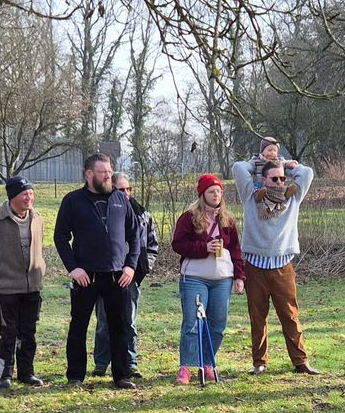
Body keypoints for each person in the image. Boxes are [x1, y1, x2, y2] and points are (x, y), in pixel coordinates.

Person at [55, 153, 144, 388]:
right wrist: (73, 268)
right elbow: (61, 237)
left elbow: (135, 234)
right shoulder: (72, 201)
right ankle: (75, 376)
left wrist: (131, 266)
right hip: (86, 276)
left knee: (120, 325)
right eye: (103, 172)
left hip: (117, 276)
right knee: (79, 326)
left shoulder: (120, 199)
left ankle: (122, 375)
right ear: (89, 174)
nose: (108, 175)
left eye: (110, 171)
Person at [230, 153, 321, 374]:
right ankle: (260, 362)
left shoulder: (292, 197)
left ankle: (301, 362)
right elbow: (238, 168)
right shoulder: (251, 196)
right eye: (274, 179)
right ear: (263, 180)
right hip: (255, 266)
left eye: (282, 178)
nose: (280, 182)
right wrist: (258, 163)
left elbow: (307, 173)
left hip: (283, 266)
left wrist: (286, 166)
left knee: (290, 316)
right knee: (258, 317)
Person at [170, 173, 245, 384]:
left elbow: (236, 250)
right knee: (192, 323)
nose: (216, 195)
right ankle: (186, 366)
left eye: (219, 191)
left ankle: (207, 363)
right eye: (212, 191)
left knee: (218, 323)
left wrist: (239, 276)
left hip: (222, 279)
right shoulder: (189, 217)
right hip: (195, 277)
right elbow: (178, 244)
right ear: (202, 194)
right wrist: (204, 247)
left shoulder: (228, 220)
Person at [0, 176, 48, 389]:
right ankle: (4, 375)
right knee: (8, 332)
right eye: (24, 194)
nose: (29, 198)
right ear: (12, 197)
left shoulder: (38, 219)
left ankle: (27, 373)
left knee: (29, 332)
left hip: (32, 287)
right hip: (8, 288)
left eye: (31, 193)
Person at [94, 173, 159, 377]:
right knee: (104, 321)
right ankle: (102, 362)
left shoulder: (142, 214)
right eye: (121, 189)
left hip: (131, 276)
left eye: (128, 189)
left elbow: (152, 245)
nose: (126, 193)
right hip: (107, 274)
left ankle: (130, 362)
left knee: (128, 320)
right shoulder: (104, 213)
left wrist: (142, 269)